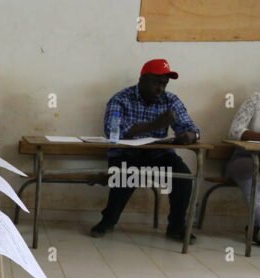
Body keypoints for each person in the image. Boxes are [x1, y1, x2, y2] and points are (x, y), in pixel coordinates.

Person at [90, 59, 201, 242]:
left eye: (164, 84)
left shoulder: (170, 100)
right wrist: (154, 125)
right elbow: (112, 131)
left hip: (158, 155)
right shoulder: (121, 99)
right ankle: (108, 221)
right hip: (127, 154)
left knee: (182, 177)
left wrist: (190, 136)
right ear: (142, 80)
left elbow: (191, 128)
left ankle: (176, 227)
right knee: (125, 174)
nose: (160, 89)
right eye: (156, 82)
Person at [226, 91, 260, 245]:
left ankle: (255, 227)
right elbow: (235, 131)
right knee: (254, 184)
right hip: (246, 158)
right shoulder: (255, 99)